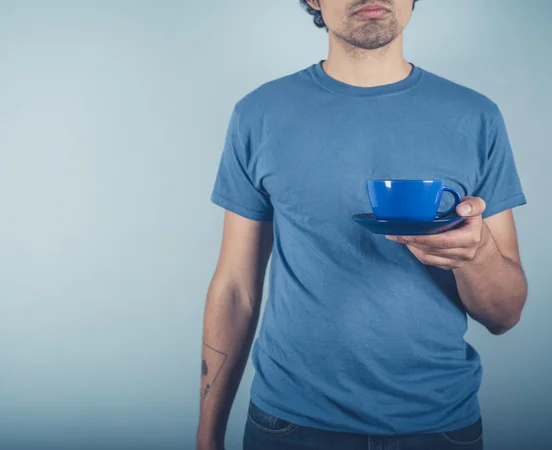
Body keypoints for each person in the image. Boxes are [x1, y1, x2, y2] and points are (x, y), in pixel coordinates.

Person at [196, 1, 528, 449]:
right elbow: (235, 289)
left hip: (439, 426)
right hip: (290, 425)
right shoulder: (258, 114)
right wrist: (207, 435)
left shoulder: (476, 117)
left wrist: (477, 253)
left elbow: (505, 317)